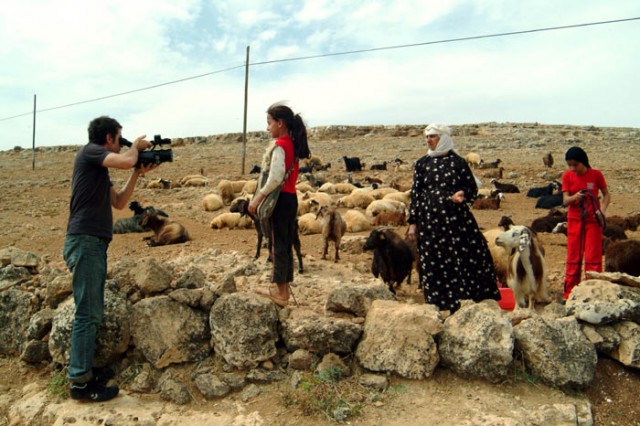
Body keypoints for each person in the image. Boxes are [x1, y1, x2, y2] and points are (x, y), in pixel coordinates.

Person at [64, 116, 156, 402]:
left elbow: (118, 202)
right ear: (109, 138)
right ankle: (79, 382)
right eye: (120, 138)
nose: (122, 143)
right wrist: (136, 149)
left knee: (92, 312)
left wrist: (137, 173)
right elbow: (127, 160)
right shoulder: (90, 151)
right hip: (86, 242)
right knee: (86, 314)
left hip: (93, 244)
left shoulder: (98, 170)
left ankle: (86, 372)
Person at [406, 123, 499, 313]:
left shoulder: (458, 163)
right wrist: (413, 223)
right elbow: (416, 194)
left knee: (465, 258)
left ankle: (465, 304)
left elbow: (472, 189)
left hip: (456, 224)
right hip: (430, 225)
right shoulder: (422, 164)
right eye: (427, 137)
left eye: (433, 136)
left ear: (443, 138)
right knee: (433, 263)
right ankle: (438, 305)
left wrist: (462, 195)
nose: (428, 140)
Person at [249, 103, 310, 306]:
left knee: (278, 245)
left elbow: (275, 178)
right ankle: (279, 287)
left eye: (269, 123)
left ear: (280, 123)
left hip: (280, 200)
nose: (267, 128)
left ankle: (282, 293)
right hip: (290, 199)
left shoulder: (281, 145)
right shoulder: (291, 144)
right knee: (283, 243)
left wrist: (258, 198)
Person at [561, 146, 610, 300]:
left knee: (593, 256)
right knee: (573, 256)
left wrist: (602, 210)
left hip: (593, 221)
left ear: (583, 162)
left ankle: (593, 291)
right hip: (574, 220)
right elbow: (565, 200)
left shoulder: (596, 174)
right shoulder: (567, 176)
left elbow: (606, 195)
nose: (573, 168)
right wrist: (575, 197)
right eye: (570, 165)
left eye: (575, 164)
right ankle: (569, 293)